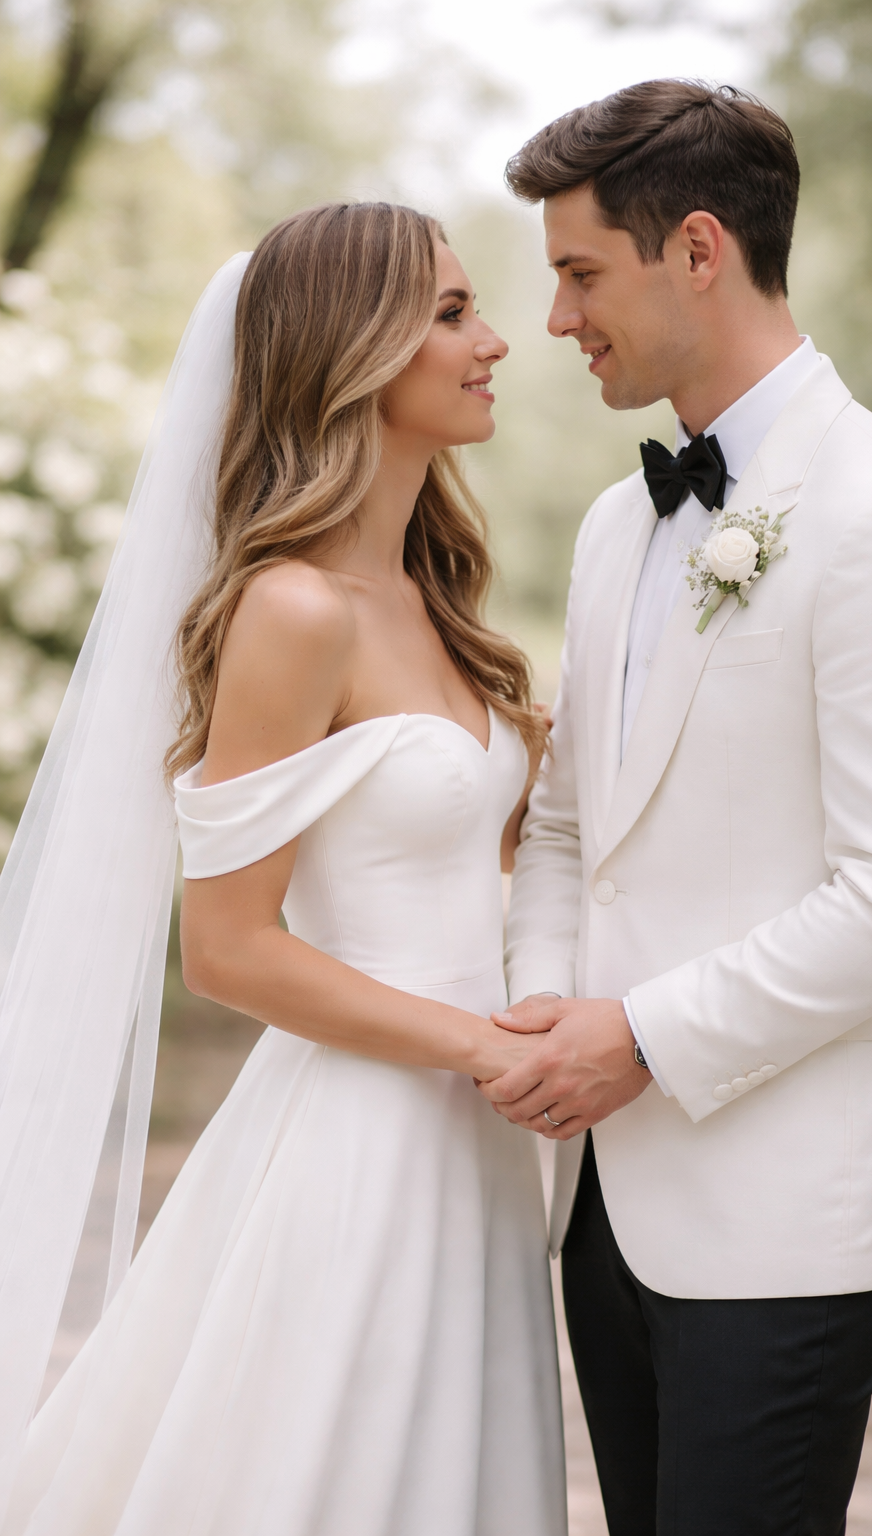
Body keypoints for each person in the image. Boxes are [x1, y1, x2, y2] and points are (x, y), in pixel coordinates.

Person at [484, 80, 872, 1536]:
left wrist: (641, 1038)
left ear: (696, 250)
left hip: (784, 1220)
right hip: (603, 1197)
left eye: (580, 273)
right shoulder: (613, 526)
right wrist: (544, 1016)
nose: (556, 319)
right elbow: (576, 829)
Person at [0, 203, 566, 1535]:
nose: (494, 342)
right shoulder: (291, 608)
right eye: (448, 314)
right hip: (362, 1140)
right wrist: (480, 1050)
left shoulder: (433, 597)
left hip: (471, 1141)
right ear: (352, 349)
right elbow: (231, 949)